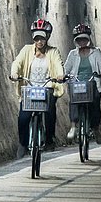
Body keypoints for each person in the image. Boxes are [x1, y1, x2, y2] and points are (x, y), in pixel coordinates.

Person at [9, 18, 65, 159]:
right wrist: (14, 73)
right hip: (30, 89)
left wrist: (59, 75)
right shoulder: (27, 50)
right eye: (37, 38)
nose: (39, 41)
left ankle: (50, 139)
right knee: (23, 117)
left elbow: (58, 64)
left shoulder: (53, 52)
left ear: (47, 38)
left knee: (50, 112)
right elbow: (17, 62)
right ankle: (23, 143)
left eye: (42, 38)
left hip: (47, 88)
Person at [64, 23, 101, 145]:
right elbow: (66, 68)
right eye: (79, 39)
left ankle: (95, 128)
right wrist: (62, 75)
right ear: (76, 41)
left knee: (95, 103)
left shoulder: (96, 52)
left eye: (84, 39)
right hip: (77, 83)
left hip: (92, 82)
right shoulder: (72, 54)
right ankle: (74, 126)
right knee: (73, 101)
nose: (82, 42)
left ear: (88, 39)